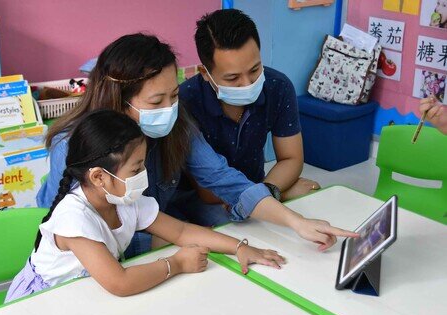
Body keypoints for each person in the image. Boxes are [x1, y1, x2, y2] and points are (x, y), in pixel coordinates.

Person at [37, 33, 357, 259]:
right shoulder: (75, 145)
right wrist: (166, 255)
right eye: (156, 100)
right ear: (118, 103)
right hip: (97, 247)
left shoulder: (176, 124)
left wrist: (296, 222)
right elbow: (74, 238)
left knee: (228, 228)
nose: (170, 107)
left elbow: (222, 178)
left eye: (174, 95)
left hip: (159, 222)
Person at [5, 110, 284, 303]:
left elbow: (183, 232)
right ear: (99, 177)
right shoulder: (74, 218)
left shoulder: (123, 201)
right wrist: (175, 264)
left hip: (88, 295)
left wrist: (240, 247)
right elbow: (120, 282)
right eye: (136, 167)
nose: (143, 175)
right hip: (42, 304)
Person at [180, 9, 320, 206]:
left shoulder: (277, 87)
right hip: (206, 200)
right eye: (233, 78)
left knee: (310, 196)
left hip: (257, 186)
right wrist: (274, 196)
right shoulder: (186, 101)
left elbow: (291, 158)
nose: (247, 83)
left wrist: (268, 191)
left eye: (254, 70)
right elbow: (208, 193)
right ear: (205, 73)